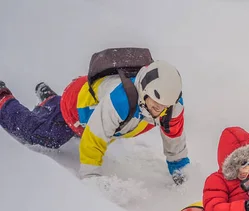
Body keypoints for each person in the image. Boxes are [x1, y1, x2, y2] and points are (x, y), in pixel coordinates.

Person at [0, 59, 190, 184]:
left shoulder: (171, 106)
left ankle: (49, 100)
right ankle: (4, 99)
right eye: (155, 105)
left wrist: (179, 168)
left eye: (164, 106)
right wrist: (91, 178)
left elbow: (174, 137)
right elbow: (94, 137)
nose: (159, 111)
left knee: (56, 120)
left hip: (92, 99)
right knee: (40, 136)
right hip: (74, 109)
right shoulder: (121, 99)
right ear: (144, 91)